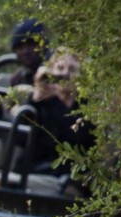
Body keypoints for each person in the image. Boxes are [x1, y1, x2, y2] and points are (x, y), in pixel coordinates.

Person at [27, 47, 94, 177]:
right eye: (60, 68)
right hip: (35, 169)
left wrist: (53, 102)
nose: (65, 75)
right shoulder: (41, 103)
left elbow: (75, 138)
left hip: (70, 175)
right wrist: (35, 101)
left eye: (72, 70)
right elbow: (21, 139)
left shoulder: (88, 108)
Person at [9, 18, 49, 87]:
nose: (26, 51)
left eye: (31, 44)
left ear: (43, 45)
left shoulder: (59, 71)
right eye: (20, 47)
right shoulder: (18, 80)